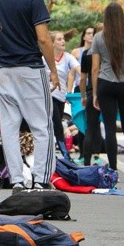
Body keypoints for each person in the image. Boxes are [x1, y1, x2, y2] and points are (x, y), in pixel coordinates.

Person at [0, 0, 59, 191]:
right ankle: (41, 179)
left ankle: (17, 180)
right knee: (42, 126)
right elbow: (43, 38)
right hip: (30, 68)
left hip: (3, 70)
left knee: (9, 128)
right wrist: (53, 70)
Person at [90, 1, 124, 182]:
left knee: (110, 128)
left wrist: (96, 93)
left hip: (105, 84)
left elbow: (95, 69)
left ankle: (112, 170)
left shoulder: (98, 38)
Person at [45, 31, 79, 159]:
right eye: (59, 39)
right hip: (48, 95)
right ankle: (65, 154)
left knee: (56, 123)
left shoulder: (68, 57)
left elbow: (78, 69)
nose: (63, 41)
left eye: (63, 39)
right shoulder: (44, 58)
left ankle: (53, 153)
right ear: (52, 43)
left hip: (61, 96)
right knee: (58, 126)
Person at [78, 23, 106, 166]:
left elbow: (83, 78)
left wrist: (84, 96)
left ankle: (87, 162)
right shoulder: (109, 51)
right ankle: (111, 164)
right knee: (110, 127)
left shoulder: (86, 54)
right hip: (108, 90)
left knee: (90, 127)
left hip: (91, 91)